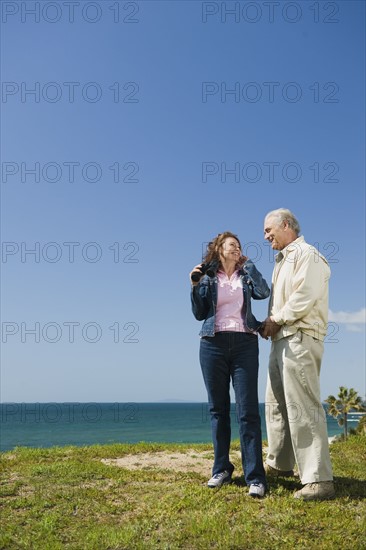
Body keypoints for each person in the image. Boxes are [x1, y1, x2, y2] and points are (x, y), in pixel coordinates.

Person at [261, 208, 335, 501]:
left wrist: (275, 320)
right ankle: (280, 464)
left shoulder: (309, 255)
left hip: (300, 337)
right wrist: (271, 325)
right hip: (280, 339)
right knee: (276, 404)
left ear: (286, 225)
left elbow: (304, 297)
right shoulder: (282, 261)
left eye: (269, 230)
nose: (266, 236)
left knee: (303, 405)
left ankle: (319, 480)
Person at [190, 231, 270, 498]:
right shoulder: (208, 276)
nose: (236, 249)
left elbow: (263, 292)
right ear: (219, 250)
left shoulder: (246, 275)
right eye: (231, 246)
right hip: (213, 344)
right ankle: (221, 469)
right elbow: (199, 313)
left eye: (239, 246)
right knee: (218, 410)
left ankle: (255, 477)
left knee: (248, 412)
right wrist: (195, 284)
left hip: (245, 344)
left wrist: (249, 265)